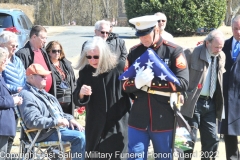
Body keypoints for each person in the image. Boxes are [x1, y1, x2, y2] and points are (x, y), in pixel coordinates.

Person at [123, 15, 189, 159]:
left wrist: (151, 83)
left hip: (164, 118)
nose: (143, 39)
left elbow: (183, 83)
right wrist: (137, 83)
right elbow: (124, 84)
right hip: (138, 118)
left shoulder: (173, 51)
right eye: (140, 36)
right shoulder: (134, 52)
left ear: (156, 30)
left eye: (146, 35)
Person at [73, 36, 131, 159]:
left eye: (96, 56)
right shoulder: (86, 72)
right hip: (95, 126)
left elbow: (132, 92)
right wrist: (81, 93)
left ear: (105, 54)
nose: (92, 60)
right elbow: (77, 98)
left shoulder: (120, 68)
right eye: (89, 57)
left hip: (117, 124)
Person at [18, 63, 85, 160]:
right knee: (79, 137)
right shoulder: (27, 95)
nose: (46, 78)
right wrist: (56, 121)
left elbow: (59, 114)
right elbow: (32, 121)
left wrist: (70, 119)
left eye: (46, 76)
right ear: (31, 77)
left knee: (86, 132)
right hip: (43, 133)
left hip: (55, 129)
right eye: (42, 76)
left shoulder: (42, 93)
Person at [181, 29, 225, 160]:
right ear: (207, 43)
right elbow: (179, 76)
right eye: (216, 47)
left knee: (212, 139)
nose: (219, 50)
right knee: (186, 141)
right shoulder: (190, 53)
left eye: (221, 47)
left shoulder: (222, 56)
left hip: (210, 104)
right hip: (191, 103)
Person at [0, 31, 26, 154]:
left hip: (17, 102)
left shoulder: (18, 60)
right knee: (4, 136)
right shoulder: (2, 62)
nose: (15, 48)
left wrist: (24, 88)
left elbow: (24, 77)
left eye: (16, 45)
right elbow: (2, 82)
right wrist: (16, 88)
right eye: (12, 45)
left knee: (11, 133)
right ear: (2, 45)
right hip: (6, 101)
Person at [219, 14, 240, 160]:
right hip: (227, 97)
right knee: (229, 133)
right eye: (236, 29)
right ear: (231, 29)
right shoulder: (223, 46)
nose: (239, 32)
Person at [15, 25, 56, 95]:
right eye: (43, 38)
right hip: (34, 96)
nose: (45, 41)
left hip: (47, 95)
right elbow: (21, 78)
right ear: (34, 37)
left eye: (46, 38)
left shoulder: (43, 51)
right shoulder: (22, 54)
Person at [45, 41, 76, 115]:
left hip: (68, 100)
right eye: (54, 51)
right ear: (48, 52)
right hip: (56, 99)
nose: (57, 53)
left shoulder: (65, 65)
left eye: (59, 51)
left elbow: (73, 81)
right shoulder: (46, 65)